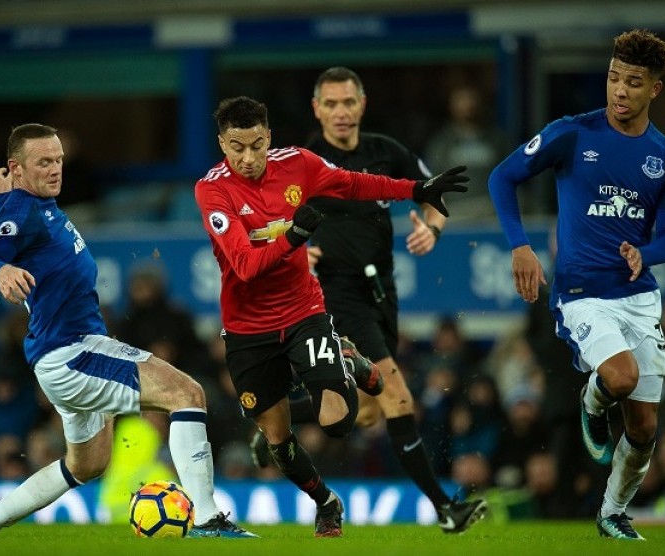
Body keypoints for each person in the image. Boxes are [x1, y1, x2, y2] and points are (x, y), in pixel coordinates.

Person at [0, 123, 255, 538]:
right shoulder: (21, 210)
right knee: (187, 394)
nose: (56, 169)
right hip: (72, 351)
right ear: (16, 168)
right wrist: (2, 269)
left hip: (62, 354)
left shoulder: (30, 206)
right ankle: (208, 519)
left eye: (58, 159)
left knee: (87, 464)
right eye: (43, 162)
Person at [195, 96, 468, 537]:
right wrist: (295, 236)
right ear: (222, 144)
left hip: (304, 311)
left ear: (269, 138)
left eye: (257, 145)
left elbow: (352, 184)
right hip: (247, 328)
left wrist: (414, 190)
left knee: (338, 421)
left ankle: (347, 360)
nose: (248, 158)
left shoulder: (298, 163)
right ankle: (326, 501)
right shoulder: (211, 189)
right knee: (277, 438)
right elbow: (244, 266)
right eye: (237, 147)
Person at [251, 67, 488, 534]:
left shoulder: (385, 152)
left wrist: (432, 228)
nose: (340, 112)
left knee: (368, 409)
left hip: (381, 290)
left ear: (362, 105)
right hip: (332, 293)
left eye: (348, 103)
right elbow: (260, 221)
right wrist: (294, 243)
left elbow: (433, 194)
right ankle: (446, 509)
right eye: (331, 104)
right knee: (399, 397)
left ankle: (273, 424)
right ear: (316, 109)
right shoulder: (300, 161)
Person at [489, 29, 665, 541]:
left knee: (644, 430)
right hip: (581, 291)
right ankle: (592, 402)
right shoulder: (572, 133)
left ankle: (612, 513)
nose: (620, 91)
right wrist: (520, 245)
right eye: (614, 78)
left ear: (655, 91)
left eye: (634, 82)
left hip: (638, 297)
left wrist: (645, 253)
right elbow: (502, 177)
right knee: (618, 379)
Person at [425, 85, 511, 222]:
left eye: (471, 100)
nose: (467, 107)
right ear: (452, 107)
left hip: (491, 213)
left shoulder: (496, 140)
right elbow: (433, 182)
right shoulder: (442, 143)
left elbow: (509, 176)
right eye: (461, 101)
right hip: (456, 215)